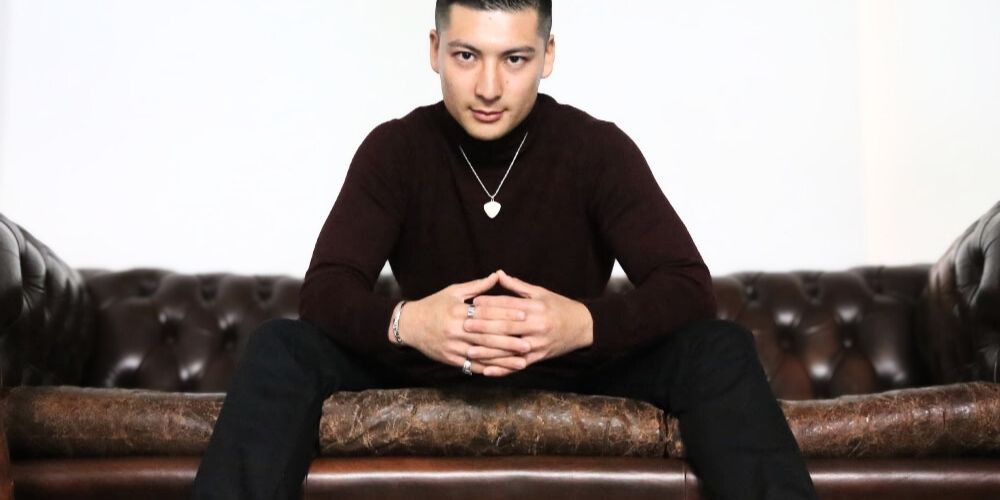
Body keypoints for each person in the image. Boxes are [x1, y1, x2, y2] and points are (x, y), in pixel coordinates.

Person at [191, 1, 819, 499]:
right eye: (466, 56)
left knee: (718, 347)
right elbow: (326, 289)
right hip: (428, 368)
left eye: (514, 59)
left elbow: (686, 286)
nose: (489, 86)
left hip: (577, 371)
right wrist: (409, 323)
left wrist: (583, 324)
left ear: (548, 56)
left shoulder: (596, 149)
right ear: (434, 50)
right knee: (281, 345)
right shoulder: (395, 149)